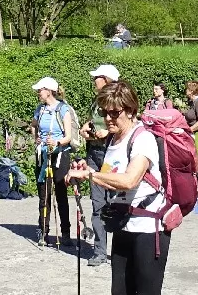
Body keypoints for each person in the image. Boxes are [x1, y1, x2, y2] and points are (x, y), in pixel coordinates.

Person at [67, 81, 170, 295]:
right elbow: (113, 173)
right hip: (123, 225)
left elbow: (130, 180)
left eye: (114, 113)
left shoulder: (143, 138)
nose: (107, 118)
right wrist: (87, 168)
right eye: (104, 112)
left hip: (148, 228)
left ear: (131, 110)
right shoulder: (114, 139)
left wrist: (91, 175)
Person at [31, 76, 78, 247]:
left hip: (60, 155)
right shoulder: (40, 109)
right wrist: (36, 138)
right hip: (43, 154)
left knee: (60, 193)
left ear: (49, 91)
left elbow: (68, 137)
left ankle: (65, 233)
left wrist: (56, 142)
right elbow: (34, 125)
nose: (38, 92)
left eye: (40, 90)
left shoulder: (63, 109)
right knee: (44, 194)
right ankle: (43, 231)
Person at [80, 64, 120, 268]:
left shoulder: (118, 100)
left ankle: (121, 251)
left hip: (112, 155)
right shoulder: (96, 101)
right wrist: (85, 129)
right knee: (97, 204)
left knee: (117, 203)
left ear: (106, 79)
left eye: (96, 77)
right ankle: (99, 251)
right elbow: (91, 122)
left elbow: (127, 125)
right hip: (94, 153)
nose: (94, 80)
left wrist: (109, 133)